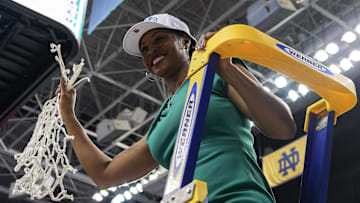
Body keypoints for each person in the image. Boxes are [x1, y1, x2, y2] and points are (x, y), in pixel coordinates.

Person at [59, 13, 296, 202]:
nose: (151, 50)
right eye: (144, 49)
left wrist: (228, 69)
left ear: (185, 41)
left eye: (159, 39)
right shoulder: (161, 121)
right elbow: (104, 174)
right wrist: (69, 116)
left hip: (237, 197)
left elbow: (282, 127)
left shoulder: (216, 73)